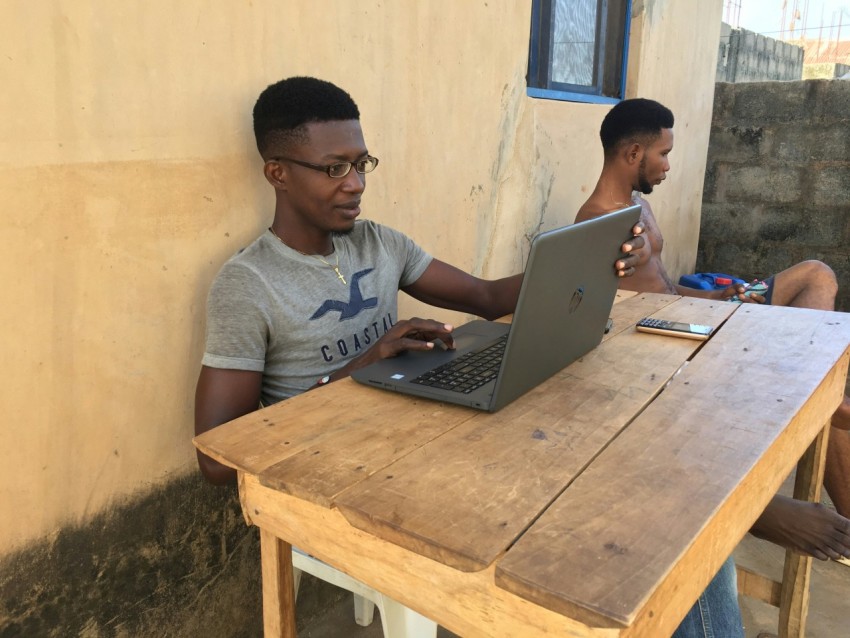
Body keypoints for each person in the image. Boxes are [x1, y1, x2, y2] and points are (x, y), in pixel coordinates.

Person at [194, 76, 751, 638]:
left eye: (362, 164)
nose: (356, 183)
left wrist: (592, 261)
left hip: (422, 444)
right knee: (585, 521)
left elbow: (483, 298)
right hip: (338, 484)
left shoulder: (380, 243)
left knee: (656, 498)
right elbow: (217, 460)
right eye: (334, 168)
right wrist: (357, 370)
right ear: (278, 173)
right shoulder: (248, 284)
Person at [577, 97, 850, 560]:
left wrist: (723, 297)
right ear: (633, 153)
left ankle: (817, 386)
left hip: (697, 311)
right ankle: (820, 394)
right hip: (679, 339)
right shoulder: (597, 223)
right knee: (827, 402)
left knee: (816, 275)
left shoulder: (636, 204)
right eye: (663, 154)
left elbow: (664, 287)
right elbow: (624, 316)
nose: (668, 166)